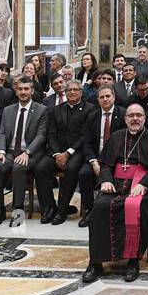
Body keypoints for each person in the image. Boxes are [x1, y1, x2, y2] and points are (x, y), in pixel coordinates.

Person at [83, 103, 148, 283]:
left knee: (136, 207)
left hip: (143, 185)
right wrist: (105, 179)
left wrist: (144, 183)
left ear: (144, 118)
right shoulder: (116, 137)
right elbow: (105, 163)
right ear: (125, 119)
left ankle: (133, 260)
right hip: (115, 184)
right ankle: (95, 262)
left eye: (139, 115)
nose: (135, 118)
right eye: (131, 115)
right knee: (99, 207)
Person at [0, 76, 48, 227]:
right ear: (15, 91)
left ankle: (18, 210)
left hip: (31, 153)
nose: (23, 92)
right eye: (20, 89)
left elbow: (41, 135)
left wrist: (27, 152)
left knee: (19, 167)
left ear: (32, 91)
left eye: (26, 89)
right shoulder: (8, 110)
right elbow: (2, 133)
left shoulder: (41, 110)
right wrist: (0, 151)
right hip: (9, 152)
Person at [37, 78, 94, 226]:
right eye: (69, 90)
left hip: (77, 151)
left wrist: (67, 153)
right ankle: (49, 207)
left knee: (71, 169)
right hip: (57, 151)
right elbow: (51, 133)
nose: (73, 92)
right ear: (65, 92)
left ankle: (62, 209)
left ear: (81, 92)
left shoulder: (90, 109)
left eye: (76, 90)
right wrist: (57, 154)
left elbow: (85, 135)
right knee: (40, 168)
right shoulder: (56, 109)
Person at [79, 86, 122, 225]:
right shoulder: (92, 116)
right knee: (84, 174)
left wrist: (108, 164)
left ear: (114, 97)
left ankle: (114, 211)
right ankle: (90, 211)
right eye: (102, 97)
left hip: (117, 160)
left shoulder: (123, 114)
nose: (105, 99)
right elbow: (87, 142)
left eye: (108, 96)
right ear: (97, 99)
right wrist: (93, 161)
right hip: (96, 158)